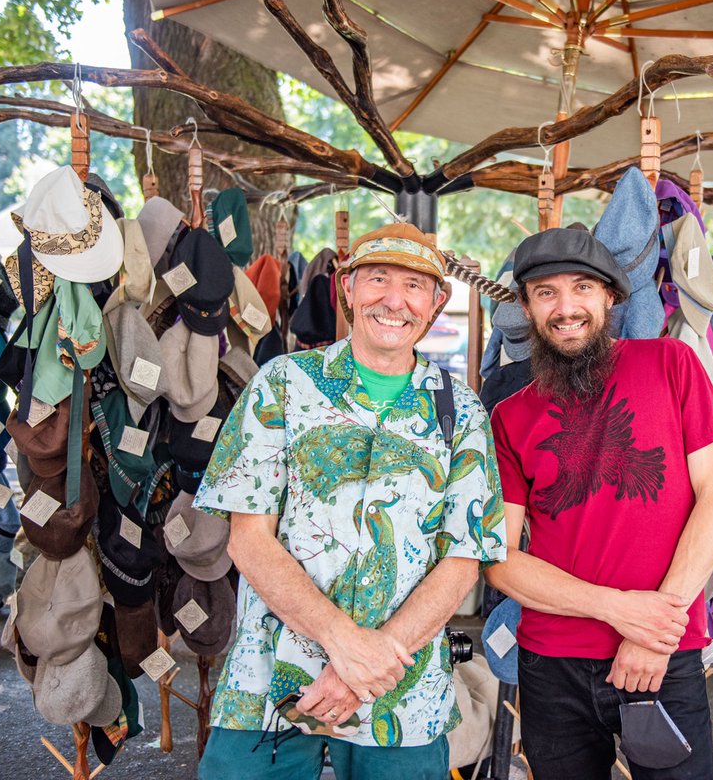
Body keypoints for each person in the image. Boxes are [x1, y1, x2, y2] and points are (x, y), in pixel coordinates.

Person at [194, 222, 507, 780]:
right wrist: (343, 643)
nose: (394, 300)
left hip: (401, 695)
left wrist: (364, 666)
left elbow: (463, 561)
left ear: (437, 303)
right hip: (270, 681)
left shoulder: (460, 411)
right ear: (347, 289)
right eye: (378, 279)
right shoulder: (281, 386)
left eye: (415, 286)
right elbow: (248, 539)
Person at [485, 227, 713, 780]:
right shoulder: (509, 416)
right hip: (553, 664)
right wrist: (621, 611)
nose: (566, 307)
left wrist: (654, 629)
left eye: (582, 288)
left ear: (610, 297)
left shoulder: (672, 364)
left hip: (663, 655)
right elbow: (498, 557)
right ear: (526, 307)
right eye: (546, 292)